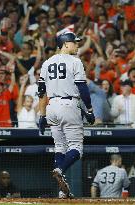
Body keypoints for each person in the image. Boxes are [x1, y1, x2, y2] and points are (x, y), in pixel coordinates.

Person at [38, 32, 95, 198]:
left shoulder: (47, 63)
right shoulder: (75, 61)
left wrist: (42, 116)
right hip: (68, 105)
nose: (77, 45)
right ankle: (59, 169)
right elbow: (82, 87)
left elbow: (41, 92)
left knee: (60, 147)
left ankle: (62, 191)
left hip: (51, 108)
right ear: (65, 44)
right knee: (76, 148)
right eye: (74, 43)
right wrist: (90, 110)